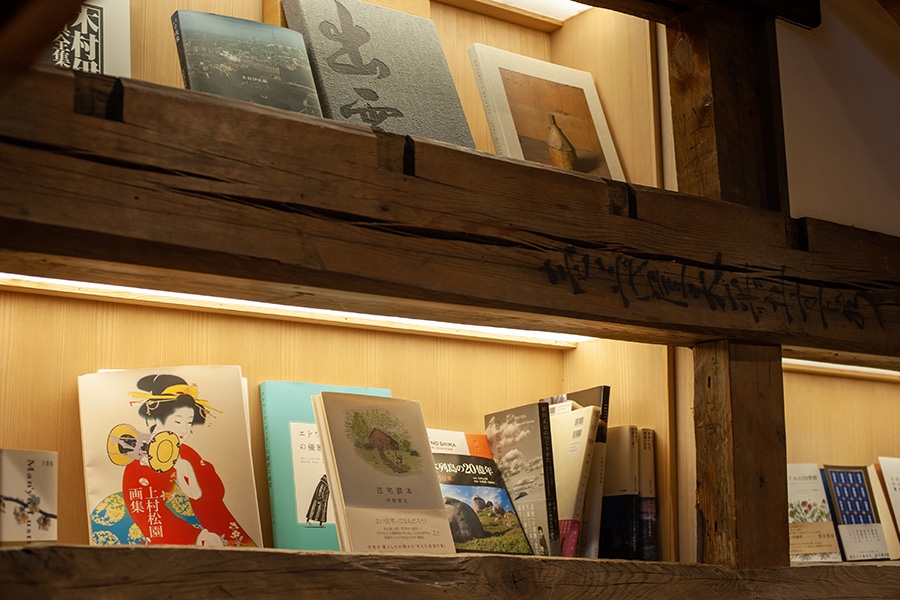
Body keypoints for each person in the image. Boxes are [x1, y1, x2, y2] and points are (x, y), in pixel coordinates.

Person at [121, 373, 256, 547]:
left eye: (189, 422)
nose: (184, 430)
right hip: (178, 537)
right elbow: (148, 514)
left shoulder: (187, 453)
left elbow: (214, 495)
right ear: (158, 418)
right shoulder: (139, 462)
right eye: (178, 422)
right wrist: (196, 537)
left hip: (212, 529)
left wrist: (189, 473)